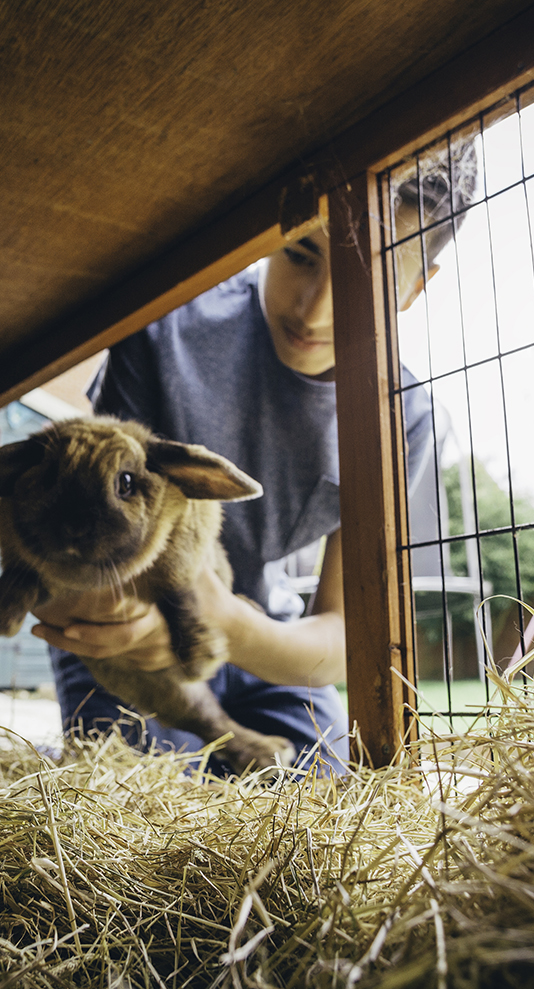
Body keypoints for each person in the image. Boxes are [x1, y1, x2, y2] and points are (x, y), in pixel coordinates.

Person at [33, 145, 478, 774]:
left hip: (266, 640)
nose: (314, 310)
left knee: (319, 803)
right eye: (301, 257)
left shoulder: (401, 418)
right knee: (152, 810)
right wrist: (144, 625)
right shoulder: (164, 331)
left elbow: (348, 637)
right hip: (128, 631)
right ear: (270, 238)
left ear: (414, 289)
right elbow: (63, 540)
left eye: (366, 282)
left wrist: (228, 628)